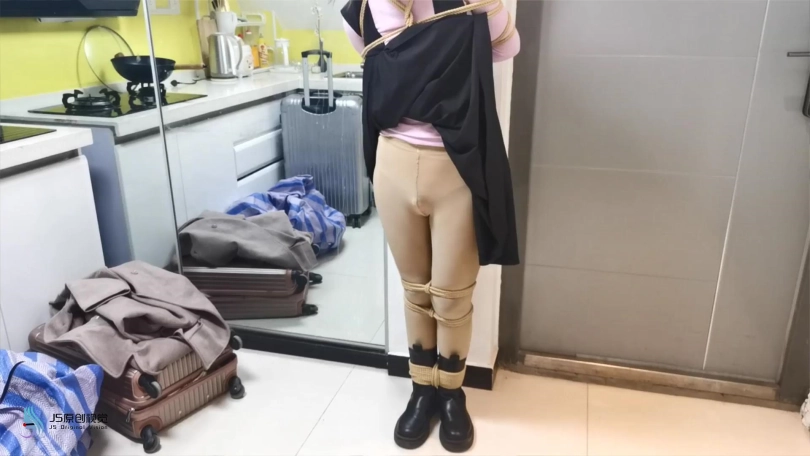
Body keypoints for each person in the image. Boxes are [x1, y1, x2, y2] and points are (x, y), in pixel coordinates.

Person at [341, 0, 520, 452]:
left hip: (457, 164)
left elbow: (507, 47)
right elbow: (375, 61)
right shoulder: (367, 6)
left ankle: (452, 393)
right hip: (393, 162)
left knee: (452, 295)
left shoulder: (466, 3)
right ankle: (422, 389)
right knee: (415, 290)